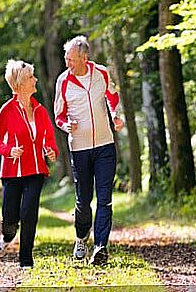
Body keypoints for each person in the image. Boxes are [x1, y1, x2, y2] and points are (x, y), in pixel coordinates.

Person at [54, 35, 124, 265]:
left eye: (71, 60)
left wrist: (114, 115)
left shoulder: (101, 73)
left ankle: (101, 247)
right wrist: (67, 126)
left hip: (105, 145)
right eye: (66, 59)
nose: (68, 64)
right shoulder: (63, 81)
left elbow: (112, 96)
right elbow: (59, 116)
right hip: (80, 148)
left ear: (84, 58)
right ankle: (81, 238)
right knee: (83, 201)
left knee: (104, 198)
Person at [0, 59, 58, 268]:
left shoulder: (40, 111)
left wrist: (51, 151)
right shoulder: (7, 110)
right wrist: (9, 151)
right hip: (12, 172)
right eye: (31, 77)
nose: (35, 79)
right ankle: (7, 238)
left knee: (29, 213)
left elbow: (49, 138)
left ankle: (26, 260)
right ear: (19, 84)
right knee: (10, 219)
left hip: (36, 169)